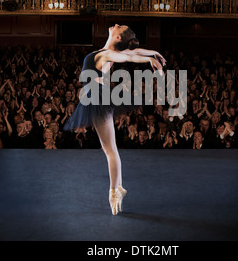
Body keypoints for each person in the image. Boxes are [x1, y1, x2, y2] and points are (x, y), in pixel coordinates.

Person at [63, 24, 166, 215]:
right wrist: (153, 54)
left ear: (118, 37)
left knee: (110, 150)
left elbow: (130, 55)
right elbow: (134, 52)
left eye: (119, 26)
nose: (115, 24)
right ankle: (117, 187)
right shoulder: (104, 52)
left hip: (97, 99)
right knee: (110, 149)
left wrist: (151, 58)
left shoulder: (106, 55)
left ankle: (113, 192)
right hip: (98, 98)